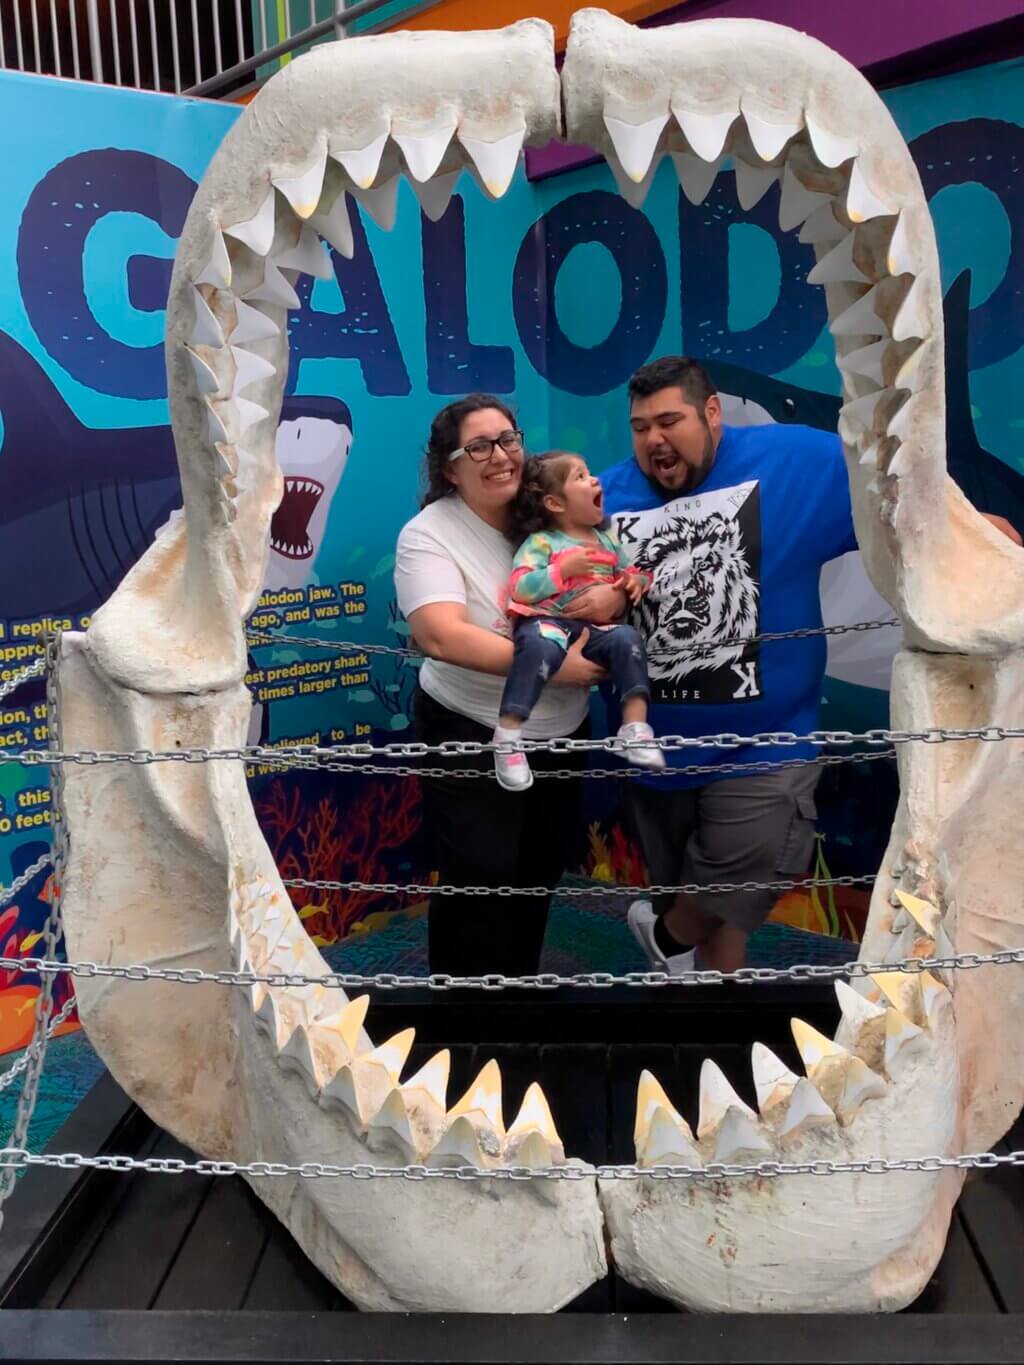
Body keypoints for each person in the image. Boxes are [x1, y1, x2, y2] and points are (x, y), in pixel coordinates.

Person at [595, 354, 1020, 976]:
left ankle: (664, 933)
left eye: (670, 420)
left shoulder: (798, 461)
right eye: (640, 427)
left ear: (712, 412)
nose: (654, 439)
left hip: (767, 745)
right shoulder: (608, 497)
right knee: (718, 931)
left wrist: (969, 531)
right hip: (658, 752)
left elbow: (895, 513)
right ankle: (703, 1028)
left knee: (751, 860)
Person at [394, 395, 602, 976]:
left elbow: (609, 569)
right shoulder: (429, 535)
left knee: (539, 871)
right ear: (448, 468)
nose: (499, 456)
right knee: (480, 877)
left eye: (508, 439)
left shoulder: (549, 515)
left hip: (563, 731)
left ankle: (518, 1001)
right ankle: (464, 1036)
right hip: (471, 729)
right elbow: (440, 636)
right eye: (478, 447)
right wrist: (554, 666)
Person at [494, 451, 664, 791]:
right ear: (555, 503)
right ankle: (509, 735)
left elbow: (634, 573)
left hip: (594, 630)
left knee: (627, 638)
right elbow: (520, 587)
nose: (595, 480)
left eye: (590, 473)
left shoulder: (607, 540)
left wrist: (635, 583)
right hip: (549, 621)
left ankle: (635, 728)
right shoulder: (543, 543)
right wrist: (562, 571)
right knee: (542, 646)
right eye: (581, 476)